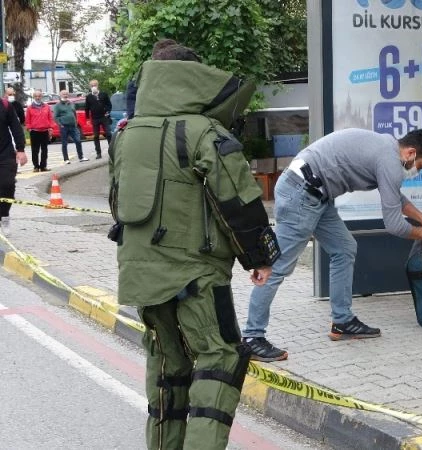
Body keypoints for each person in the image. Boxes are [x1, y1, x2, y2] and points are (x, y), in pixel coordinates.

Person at [110, 44, 279, 450]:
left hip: (139, 274)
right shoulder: (204, 132)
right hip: (196, 274)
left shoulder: (127, 132)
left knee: (169, 366)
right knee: (220, 358)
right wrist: (260, 256)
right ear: (191, 78)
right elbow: (236, 200)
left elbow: (117, 204)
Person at [242, 128, 422, 361]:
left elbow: (394, 197)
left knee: (344, 248)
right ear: (410, 153)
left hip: (315, 193)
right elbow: (394, 225)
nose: (418, 172)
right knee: (275, 267)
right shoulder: (390, 162)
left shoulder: (387, 148)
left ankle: (342, 321)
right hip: (302, 194)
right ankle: (251, 338)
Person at [0, 91, 27, 236]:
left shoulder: (5, 105)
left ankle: (4, 216)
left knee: (7, 185)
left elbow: (16, 127)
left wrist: (20, 149)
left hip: (5, 154)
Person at [53, 91, 87, 163]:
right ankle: (66, 159)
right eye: (63, 94)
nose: (65, 95)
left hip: (73, 126)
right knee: (64, 143)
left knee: (78, 140)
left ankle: (81, 157)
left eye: (66, 94)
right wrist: (60, 124)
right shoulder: (57, 105)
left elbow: (74, 113)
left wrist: (75, 122)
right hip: (64, 126)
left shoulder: (71, 103)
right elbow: (55, 117)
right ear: (60, 95)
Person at [24, 89, 54, 171]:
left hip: (45, 131)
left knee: (45, 150)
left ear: (42, 97)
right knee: (35, 150)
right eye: (36, 96)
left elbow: (50, 118)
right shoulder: (30, 108)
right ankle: (36, 166)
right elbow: (27, 120)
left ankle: (43, 166)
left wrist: (51, 127)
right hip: (34, 131)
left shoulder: (47, 107)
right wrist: (29, 128)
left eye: (39, 96)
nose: (38, 97)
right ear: (33, 97)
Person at [85, 79, 112, 159]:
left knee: (108, 133)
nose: (94, 87)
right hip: (95, 118)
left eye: (95, 85)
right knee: (96, 136)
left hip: (104, 117)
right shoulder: (89, 96)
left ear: (98, 85)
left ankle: (111, 151)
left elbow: (109, 104)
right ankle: (98, 153)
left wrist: (107, 111)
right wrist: (87, 118)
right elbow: (87, 108)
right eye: (92, 85)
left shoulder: (103, 94)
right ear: (90, 87)